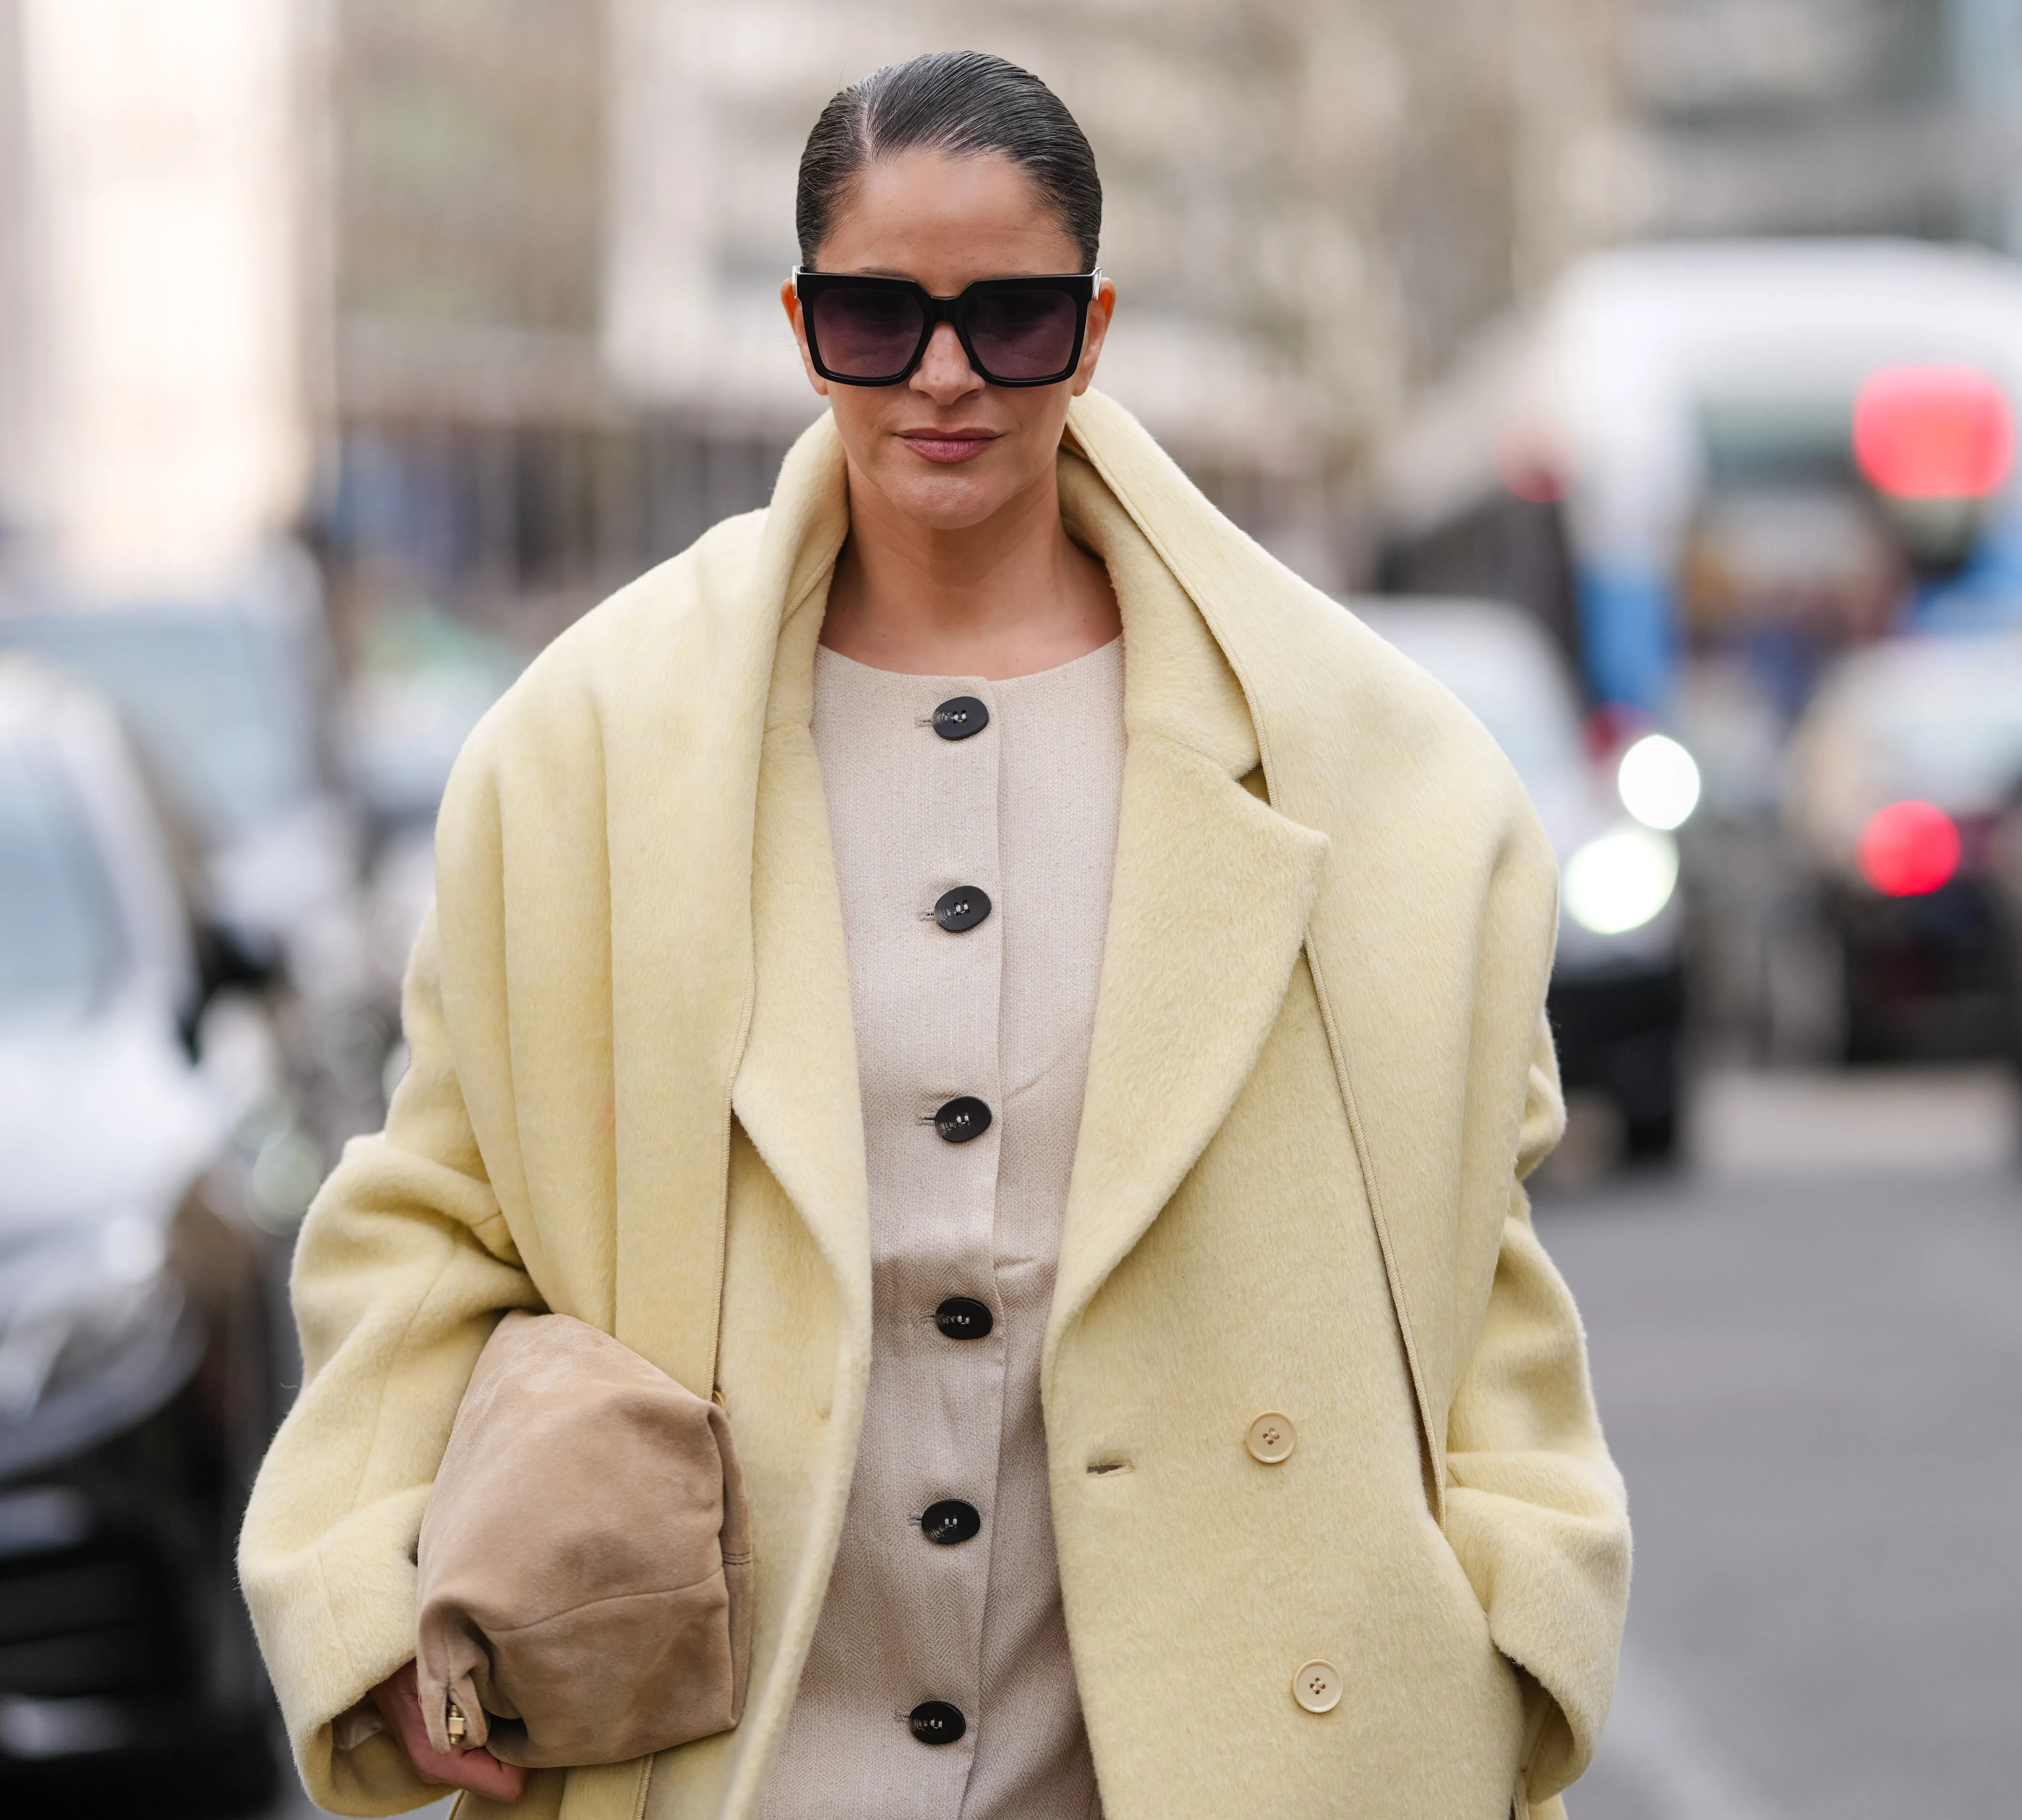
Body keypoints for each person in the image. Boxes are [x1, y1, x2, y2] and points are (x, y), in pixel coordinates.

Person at [241, 50, 1629, 1820]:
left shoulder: (1373, 774)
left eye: (1016, 318)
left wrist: (1515, 1618)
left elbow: (1477, 1254)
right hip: (726, 1752)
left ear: (1097, 322)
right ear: (801, 321)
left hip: (1244, 1750)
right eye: (879, 316)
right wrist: (374, 1595)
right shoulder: (584, 752)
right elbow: (431, 1219)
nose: (947, 374)